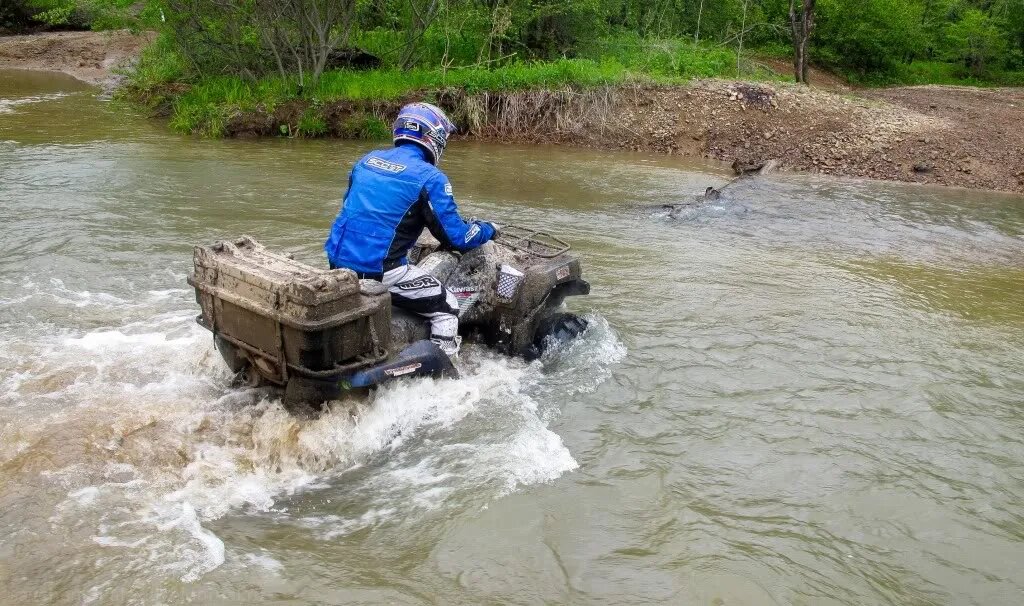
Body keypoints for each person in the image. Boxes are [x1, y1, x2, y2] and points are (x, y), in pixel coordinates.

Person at [324, 102, 497, 357]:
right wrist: (488, 229)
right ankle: (445, 377)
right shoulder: (430, 177)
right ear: (433, 137)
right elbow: (457, 237)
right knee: (448, 305)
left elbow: (356, 210)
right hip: (380, 273)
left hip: (337, 266)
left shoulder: (367, 161)